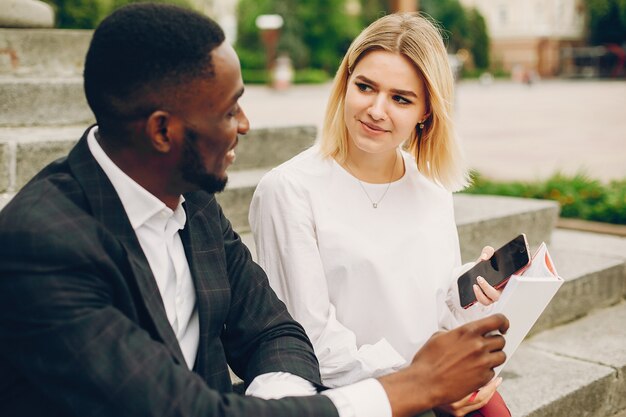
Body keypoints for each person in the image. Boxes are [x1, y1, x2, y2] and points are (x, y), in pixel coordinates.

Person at [0, 4, 508, 417]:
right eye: (229, 109)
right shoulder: (42, 243)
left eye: (401, 98)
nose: (245, 124)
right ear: (162, 131)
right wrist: (410, 387)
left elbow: (276, 333)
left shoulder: (192, 202)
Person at [250, 13, 511, 417]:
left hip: (433, 381)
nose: (375, 109)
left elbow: (438, 314)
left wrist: (472, 297)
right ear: (346, 82)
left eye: (400, 98)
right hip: (356, 395)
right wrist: (425, 382)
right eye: (365, 87)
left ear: (426, 112)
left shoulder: (432, 188)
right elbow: (309, 339)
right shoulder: (287, 190)